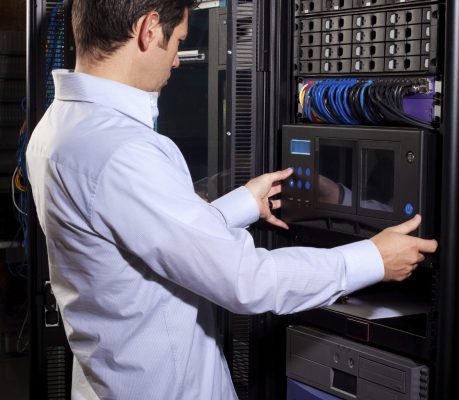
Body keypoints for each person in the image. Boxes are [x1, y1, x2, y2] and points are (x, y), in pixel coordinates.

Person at [26, 1, 438, 399]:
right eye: (177, 42)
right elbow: (245, 280)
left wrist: (243, 203)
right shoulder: (124, 150)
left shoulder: (57, 128)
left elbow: (145, 238)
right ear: (148, 30)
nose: (176, 61)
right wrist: (372, 259)